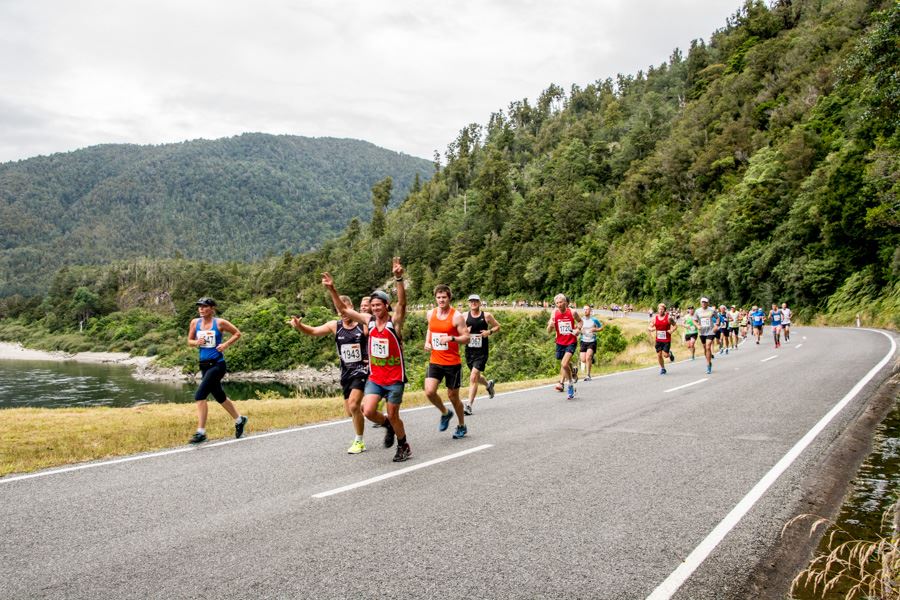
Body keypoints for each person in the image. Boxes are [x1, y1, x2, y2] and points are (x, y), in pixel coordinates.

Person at [323, 258, 412, 462]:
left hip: (395, 378)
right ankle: (388, 425)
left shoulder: (394, 323)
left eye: (378, 305)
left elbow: (403, 304)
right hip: (376, 378)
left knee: (393, 413)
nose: (375, 308)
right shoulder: (369, 321)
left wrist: (399, 278)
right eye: (372, 306)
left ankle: (403, 445)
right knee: (368, 410)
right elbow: (345, 310)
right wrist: (332, 289)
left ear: (386, 306)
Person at [290, 293, 369, 455]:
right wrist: (299, 326)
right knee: (351, 411)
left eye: (345, 310)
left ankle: (359, 441)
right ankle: (376, 415)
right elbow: (313, 331)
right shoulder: (335, 326)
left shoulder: (363, 324)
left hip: (362, 370)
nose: (343, 314)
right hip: (346, 372)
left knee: (354, 405)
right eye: (340, 311)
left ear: (351, 308)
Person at [187, 297, 247, 444]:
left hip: (217, 365)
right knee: (219, 396)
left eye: (204, 306)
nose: (201, 309)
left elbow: (237, 333)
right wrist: (197, 342)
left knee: (200, 395)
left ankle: (201, 432)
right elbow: (189, 341)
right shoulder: (195, 322)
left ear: (212, 308)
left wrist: (225, 345)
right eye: (199, 306)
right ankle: (240, 419)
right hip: (204, 365)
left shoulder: (219, 323)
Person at [424, 285, 471, 439]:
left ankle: (461, 425)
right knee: (430, 391)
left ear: (449, 298)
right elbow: (430, 329)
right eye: (438, 297)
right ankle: (445, 412)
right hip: (435, 360)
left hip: (452, 363)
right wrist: (427, 342)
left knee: (453, 396)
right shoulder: (430, 313)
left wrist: (452, 338)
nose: (441, 300)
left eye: (444, 297)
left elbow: (466, 338)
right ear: (435, 298)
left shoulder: (456, 316)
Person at [462, 294, 501, 416]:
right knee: (477, 377)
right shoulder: (464, 316)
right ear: (468, 303)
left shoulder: (486, 315)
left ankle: (468, 405)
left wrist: (488, 332)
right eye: (471, 301)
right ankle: (488, 385)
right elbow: (457, 330)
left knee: (473, 376)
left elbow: (497, 326)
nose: (473, 303)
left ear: (479, 302)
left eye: (476, 301)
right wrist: (464, 331)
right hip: (469, 351)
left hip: (482, 352)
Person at [548, 294, 582, 399]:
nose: (559, 305)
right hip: (560, 342)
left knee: (564, 363)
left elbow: (580, 321)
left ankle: (570, 385)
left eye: (561, 302)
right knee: (563, 361)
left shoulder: (572, 312)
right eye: (557, 303)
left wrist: (577, 330)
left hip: (571, 341)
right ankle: (573, 371)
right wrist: (550, 325)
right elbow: (548, 331)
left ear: (565, 303)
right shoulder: (554, 313)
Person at [649, 303, 677, 375]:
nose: (660, 310)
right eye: (659, 309)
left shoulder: (669, 318)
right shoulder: (655, 318)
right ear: (658, 310)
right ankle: (663, 368)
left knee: (665, 355)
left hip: (666, 340)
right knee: (659, 355)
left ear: (664, 310)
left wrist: (671, 330)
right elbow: (650, 326)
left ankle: (670, 354)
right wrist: (651, 329)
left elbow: (675, 326)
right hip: (658, 340)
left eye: (662, 309)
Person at [578, 305, 603, 381]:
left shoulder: (594, 320)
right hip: (583, 341)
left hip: (592, 341)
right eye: (584, 309)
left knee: (588, 357)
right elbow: (578, 328)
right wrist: (580, 331)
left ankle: (588, 375)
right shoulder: (581, 320)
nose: (585, 311)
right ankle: (591, 358)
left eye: (587, 309)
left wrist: (595, 329)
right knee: (583, 359)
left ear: (590, 311)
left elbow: (601, 327)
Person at [695, 297, 716, 375]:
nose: (703, 303)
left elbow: (717, 318)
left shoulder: (712, 310)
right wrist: (697, 325)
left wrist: (716, 325)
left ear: (708, 303)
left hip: (710, 331)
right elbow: (694, 320)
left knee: (708, 346)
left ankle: (708, 365)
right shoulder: (697, 311)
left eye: (705, 302)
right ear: (700, 303)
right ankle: (709, 361)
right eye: (702, 302)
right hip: (702, 332)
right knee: (705, 348)